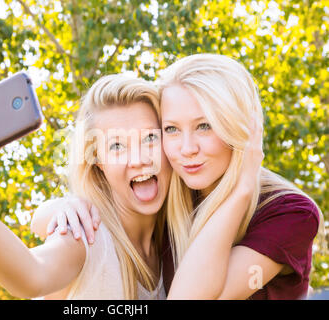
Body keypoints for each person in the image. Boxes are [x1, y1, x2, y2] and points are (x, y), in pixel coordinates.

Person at [34, 54, 325, 300]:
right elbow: (85, 225)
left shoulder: (291, 213)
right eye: (171, 129)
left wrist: (242, 190)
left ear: (240, 128)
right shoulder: (176, 197)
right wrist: (61, 209)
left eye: (204, 126)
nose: (187, 149)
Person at [0, 74, 171, 299]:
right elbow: (32, 275)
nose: (138, 159)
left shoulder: (174, 241)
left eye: (150, 138)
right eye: (117, 146)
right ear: (98, 163)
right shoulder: (87, 233)